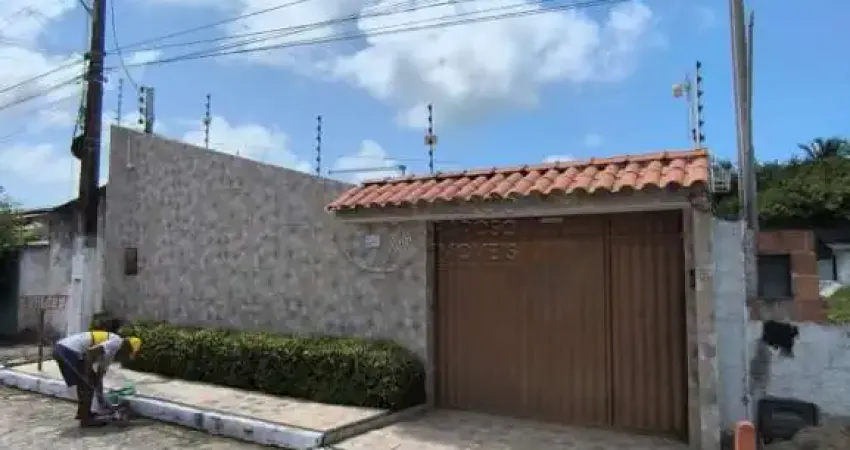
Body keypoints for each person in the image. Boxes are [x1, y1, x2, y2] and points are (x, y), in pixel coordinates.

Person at [53, 330, 142, 426]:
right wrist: (87, 376)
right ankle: (86, 418)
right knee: (86, 382)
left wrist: (102, 401)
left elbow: (99, 377)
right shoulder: (116, 342)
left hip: (65, 350)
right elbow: (90, 353)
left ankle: (85, 415)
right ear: (126, 347)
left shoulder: (110, 354)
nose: (125, 358)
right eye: (128, 354)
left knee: (88, 381)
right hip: (68, 350)